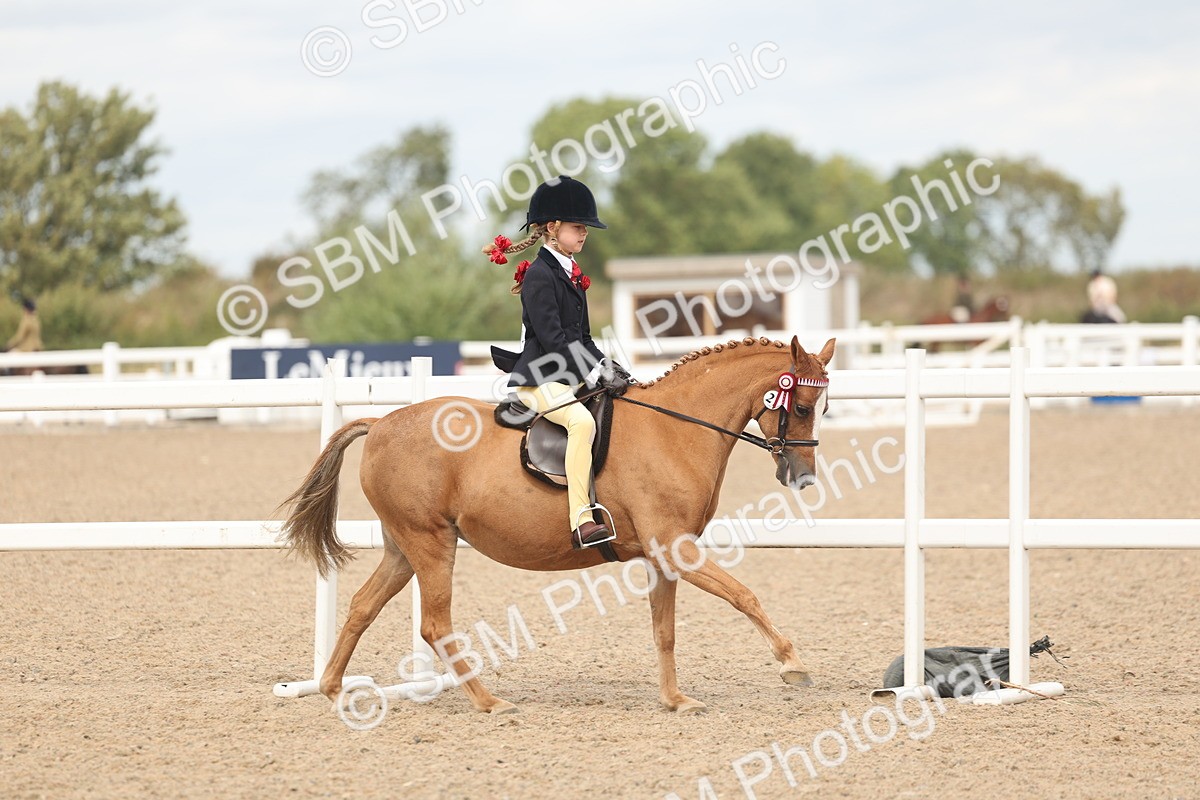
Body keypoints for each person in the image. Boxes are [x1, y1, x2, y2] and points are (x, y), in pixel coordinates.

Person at [483, 175, 633, 549]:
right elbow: (552, 341)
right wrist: (592, 370)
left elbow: (581, 339)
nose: (584, 234)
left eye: (585, 228)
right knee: (581, 423)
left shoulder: (571, 276)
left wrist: (607, 365)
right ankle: (582, 520)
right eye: (578, 227)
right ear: (553, 228)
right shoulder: (539, 276)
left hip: (567, 375)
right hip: (539, 378)